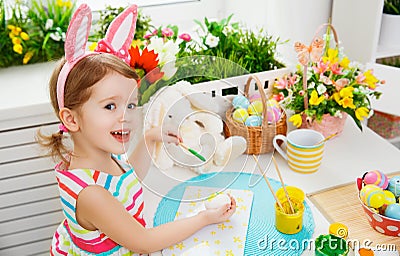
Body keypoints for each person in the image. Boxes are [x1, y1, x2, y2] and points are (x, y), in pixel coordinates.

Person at [36, 4, 236, 255]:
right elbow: (143, 241)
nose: (126, 116)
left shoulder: (100, 155)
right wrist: (204, 218)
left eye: (130, 104)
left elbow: (129, 177)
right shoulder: (91, 194)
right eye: (110, 106)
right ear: (72, 119)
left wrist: (151, 137)